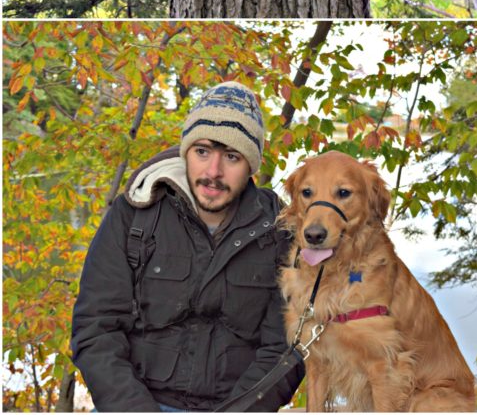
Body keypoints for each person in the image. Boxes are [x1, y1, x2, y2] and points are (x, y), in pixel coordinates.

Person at [71, 81, 303, 412]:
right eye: (203, 151)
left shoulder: (279, 233)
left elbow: (285, 349)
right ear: (186, 151)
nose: (213, 172)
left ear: (251, 165)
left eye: (232, 156)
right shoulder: (135, 215)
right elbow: (96, 329)